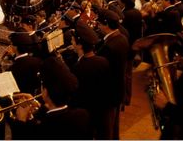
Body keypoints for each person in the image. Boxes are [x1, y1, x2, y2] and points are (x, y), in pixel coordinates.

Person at [12, 56, 92, 139]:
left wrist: (20, 121)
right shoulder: (82, 115)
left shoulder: (40, 130)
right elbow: (56, 118)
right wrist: (39, 107)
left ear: (45, 92)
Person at [70, 21, 114, 139]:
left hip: (87, 112)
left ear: (80, 45)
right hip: (101, 110)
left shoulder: (78, 67)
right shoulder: (103, 61)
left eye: (73, 41)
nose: (71, 42)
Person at [95, 8, 129, 140]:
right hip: (117, 90)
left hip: (107, 94)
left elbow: (102, 71)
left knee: (105, 130)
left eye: (100, 24)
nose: (98, 26)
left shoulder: (109, 46)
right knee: (114, 127)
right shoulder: (122, 38)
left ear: (106, 25)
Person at [8, 30, 42, 95]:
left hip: (21, 97)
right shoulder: (38, 61)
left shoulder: (13, 69)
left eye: (11, 44)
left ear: (15, 47)